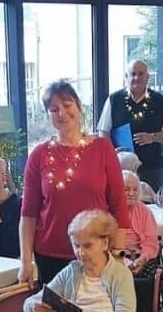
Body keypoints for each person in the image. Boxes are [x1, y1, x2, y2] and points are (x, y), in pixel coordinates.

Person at [19, 80, 129, 288]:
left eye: (67, 105)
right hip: (50, 255)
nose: (62, 113)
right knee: (54, 309)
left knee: (95, 307)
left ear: (78, 106)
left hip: (96, 253)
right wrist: (25, 261)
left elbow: (119, 205)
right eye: (54, 109)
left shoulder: (103, 148)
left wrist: (118, 254)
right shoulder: (39, 155)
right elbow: (28, 214)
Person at [96, 59, 163, 197]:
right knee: (120, 202)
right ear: (126, 76)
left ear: (147, 77)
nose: (137, 78)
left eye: (141, 74)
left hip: (151, 167)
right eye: (133, 74)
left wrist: (152, 137)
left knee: (148, 204)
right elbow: (103, 130)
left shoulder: (159, 100)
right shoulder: (114, 99)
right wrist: (111, 152)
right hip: (120, 166)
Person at [119, 170, 161, 276]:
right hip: (115, 258)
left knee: (149, 276)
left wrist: (143, 259)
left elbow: (151, 242)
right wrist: (123, 261)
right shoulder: (109, 211)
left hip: (141, 256)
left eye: (135, 189)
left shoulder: (145, 211)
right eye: (126, 189)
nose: (131, 193)